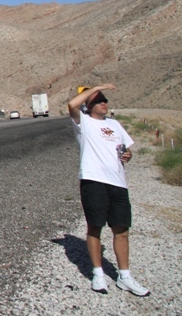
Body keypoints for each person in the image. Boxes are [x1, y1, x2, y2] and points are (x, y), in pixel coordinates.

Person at [67, 84, 150, 297]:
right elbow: (72, 104)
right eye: (98, 99)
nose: (103, 102)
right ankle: (98, 273)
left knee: (121, 230)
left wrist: (128, 156)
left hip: (118, 183)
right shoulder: (82, 123)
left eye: (105, 99)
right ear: (88, 105)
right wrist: (96, 87)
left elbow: (126, 149)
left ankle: (125, 276)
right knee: (95, 227)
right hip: (94, 181)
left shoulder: (115, 124)